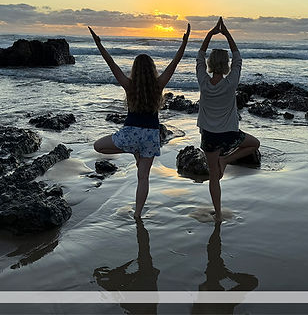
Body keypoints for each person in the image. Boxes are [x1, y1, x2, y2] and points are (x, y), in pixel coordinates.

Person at [91, 24, 189, 219]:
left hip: (131, 134)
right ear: (152, 70)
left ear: (135, 70)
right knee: (143, 177)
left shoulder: (129, 85)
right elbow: (174, 64)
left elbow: (111, 64)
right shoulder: (159, 85)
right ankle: (137, 214)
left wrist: (99, 44)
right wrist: (184, 44)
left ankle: (131, 149)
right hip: (151, 136)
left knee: (98, 146)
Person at [197, 17, 260, 222]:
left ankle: (218, 212)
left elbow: (199, 55)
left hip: (209, 136)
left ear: (209, 64)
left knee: (214, 176)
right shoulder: (231, 82)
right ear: (225, 66)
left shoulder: (203, 81)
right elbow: (238, 57)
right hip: (229, 134)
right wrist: (226, 33)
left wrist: (210, 34)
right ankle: (226, 159)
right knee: (254, 144)